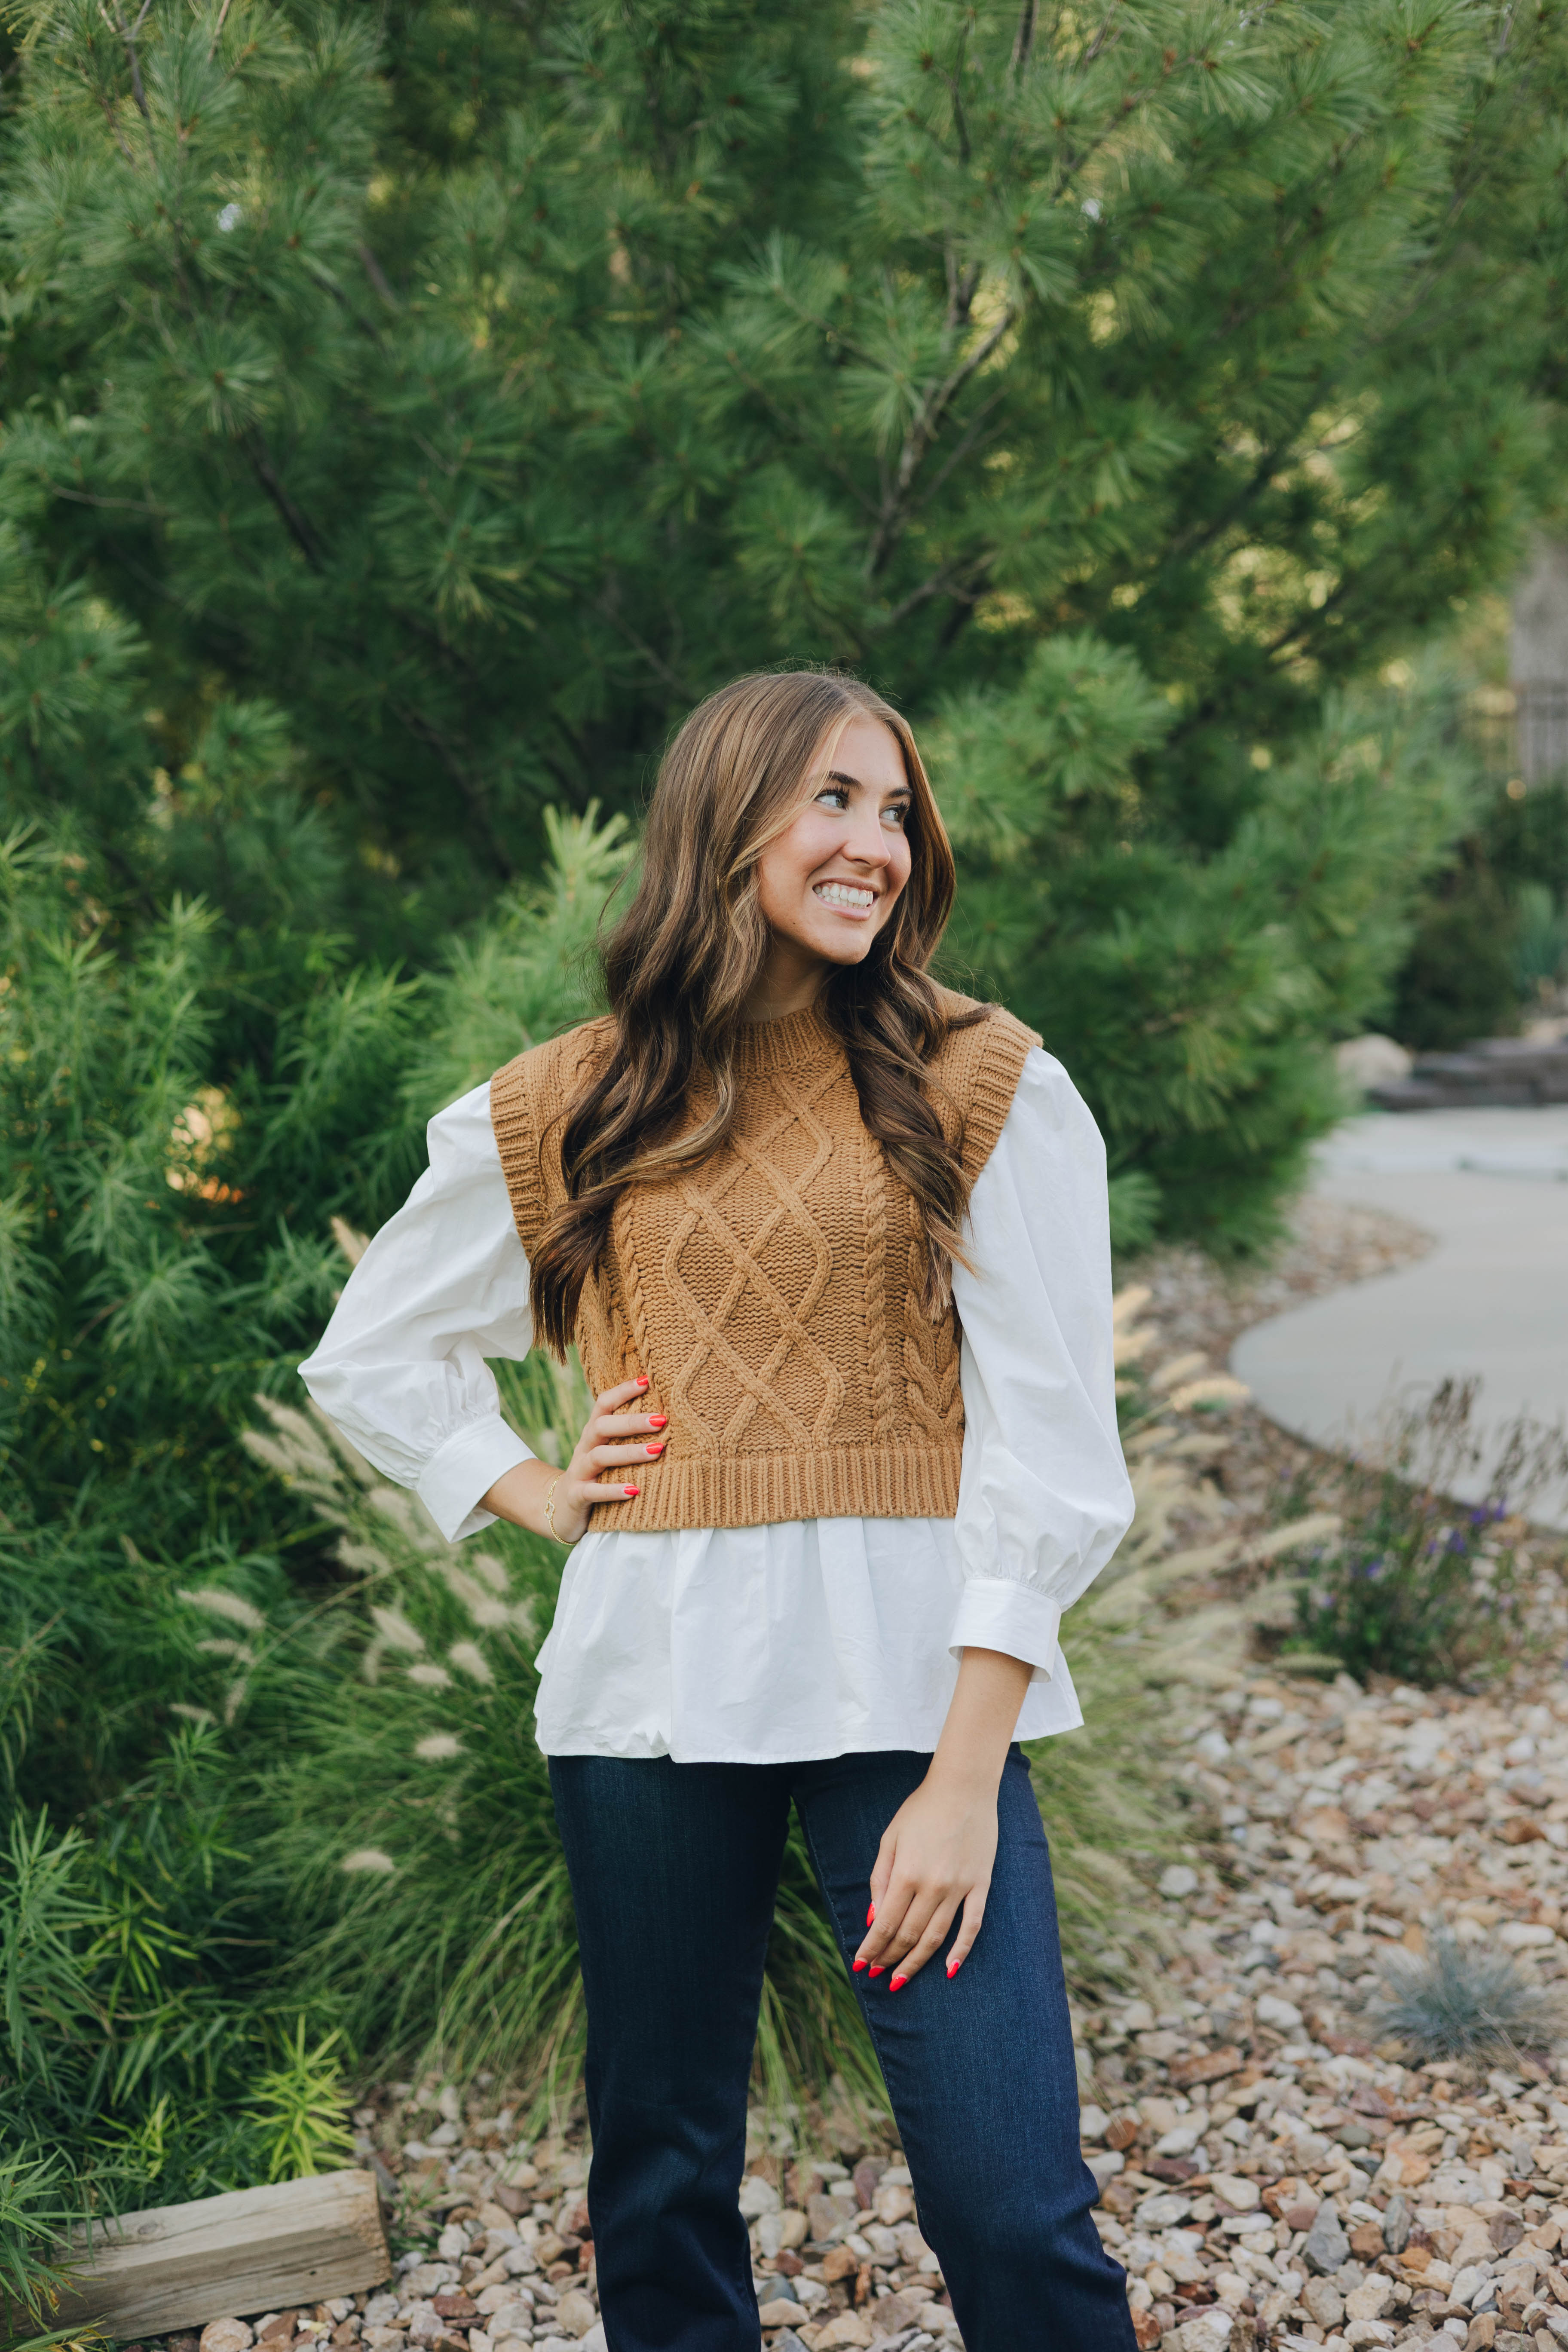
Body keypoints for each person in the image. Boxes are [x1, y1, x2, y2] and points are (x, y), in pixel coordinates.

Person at [300, 669, 1138, 2352]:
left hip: (917, 1694)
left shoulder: (980, 1083)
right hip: (651, 1694)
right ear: (727, 817)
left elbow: (1055, 1454)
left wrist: (967, 1779)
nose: (880, 844)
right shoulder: (570, 1105)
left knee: (1008, 2197)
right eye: (836, 799)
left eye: (898, 811)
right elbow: (374, 1350)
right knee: (664, 2175)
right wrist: (542, 1491)